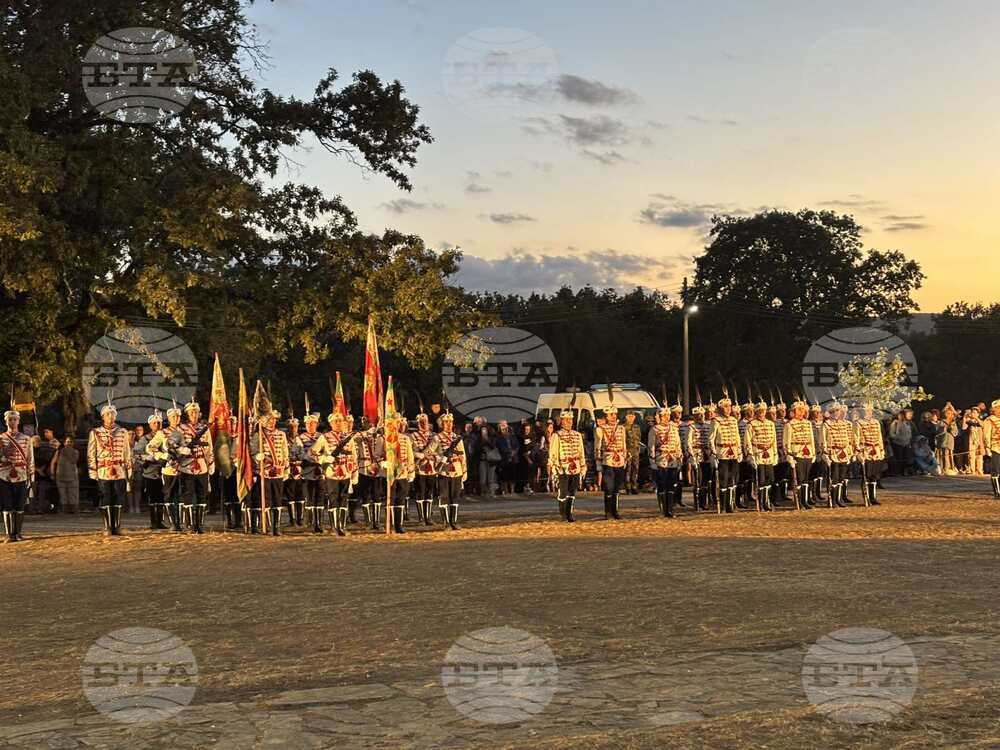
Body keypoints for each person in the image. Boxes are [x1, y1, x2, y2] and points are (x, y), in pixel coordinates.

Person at [87, 401, 131, 535]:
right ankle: (107, 527)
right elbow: (91, 453)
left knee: (118, 497)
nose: (110, 417)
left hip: (119, 469)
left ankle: (117, 526)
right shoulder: (95, 432)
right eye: (107, 415)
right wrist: (92, 471)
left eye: (112, 414)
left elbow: (126, 452)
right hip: (103, 470)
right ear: (103, 417)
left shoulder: (123, 432)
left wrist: (128, 472)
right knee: (105, 497)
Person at [173, 400, 214, 534]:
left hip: (201, 465)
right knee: (188, 495)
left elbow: (209, 448)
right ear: (187, 414)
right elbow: (170, 444)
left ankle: (200, 524)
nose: (194, 414)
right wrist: (180, 450)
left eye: (196, 412)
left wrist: (211, 462)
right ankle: (190, 524)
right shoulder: (180, 429)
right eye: (191, 412)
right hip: (187, 465)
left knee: (202, 495)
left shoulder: (204, 429)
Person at [313, 410, 357, 536]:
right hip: (331, 472)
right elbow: (312, 453)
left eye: (340, 421)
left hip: (346, 472)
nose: (338, 423)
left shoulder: (349, 437)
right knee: (333, 499)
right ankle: (334, 526)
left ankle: (342, 526)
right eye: (335, 421)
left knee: (344, 499)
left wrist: (354, 473)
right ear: (331, 423)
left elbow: (354, 455)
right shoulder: (324, 437)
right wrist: (324, 459)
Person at [144, 403, 184, 531]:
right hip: (169, 468)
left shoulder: (186, 430)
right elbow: (149, 447)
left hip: (184, 467)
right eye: (173, 417)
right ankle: (173, 523)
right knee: (170, 495)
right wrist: (163, 455)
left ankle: (181, 522)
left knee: (182, 495)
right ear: (169, 418)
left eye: (178, 416)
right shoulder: (163, 433)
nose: (176, 419)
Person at [1, 408, 34, 541]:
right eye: (10, 419)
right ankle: (9, 534)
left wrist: (31, 477)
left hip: (21, 475)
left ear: (19, 421)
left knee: (19, 505)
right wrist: (4, 458)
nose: (12, 422)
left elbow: (30, 458)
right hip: (4, 475)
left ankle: (18, 533)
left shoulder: (26, 439)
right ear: (6, 421)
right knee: (7, 505)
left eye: (15, 419)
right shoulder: (1, 438)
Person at [548, 409, 585, 522]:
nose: (569, 422)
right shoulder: (557, 435)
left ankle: (569, 513)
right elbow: (553, 452)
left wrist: (583, 465)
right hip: (563, 466)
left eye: (570, 419)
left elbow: (581, 451)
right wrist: (554, 466)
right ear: (562, 421)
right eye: (566, 420)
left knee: (572, 491)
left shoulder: (577, 435)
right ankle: (563, 513)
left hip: (575, 466)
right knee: (563, 491)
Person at [647, 406, 684, 518]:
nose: (666, 418)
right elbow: (651, 446)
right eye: (664, 416)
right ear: (659, 417)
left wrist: (679, 458)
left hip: (672, 460)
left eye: (668, 415)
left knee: (671, 485)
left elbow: (678, 445)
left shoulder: (673, 428)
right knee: (662, 485)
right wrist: (652, 462)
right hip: (660, 459)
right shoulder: (654, 430)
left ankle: (670, 510)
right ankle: (664, 510)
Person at [134, 413, 167, 529]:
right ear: (150, 425)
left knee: (162, 497)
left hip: (164, 470)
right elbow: (136, 453)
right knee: (153, 497)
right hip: (150, 472)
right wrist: (147, 459)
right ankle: (154, 522)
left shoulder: (166, 436)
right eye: (154, 423)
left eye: (159, 423)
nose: (157, 425)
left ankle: (161, 521)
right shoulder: (145, 439)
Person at [743, 400, 777, 511]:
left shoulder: (770, 424)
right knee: (760, 480)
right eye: (759, 411)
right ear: (756, 412)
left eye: (763, 411)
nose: (761, 413)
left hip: (769, 454)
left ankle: (767, 501)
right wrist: (750, 455)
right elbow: (747, 441)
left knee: (770, 479)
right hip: (758, 453)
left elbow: (774, 440)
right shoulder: (751, 424)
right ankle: (761, 502)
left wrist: (775, 454)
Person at [594, 405, 626, 520]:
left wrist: (624, 458)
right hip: (608, 459)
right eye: (611, 414)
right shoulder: (600, 429)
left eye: (615, 414)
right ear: (606, 416)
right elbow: (597, 447)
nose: (613, 416)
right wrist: (598, 463)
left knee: (617, 488)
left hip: (620, 459)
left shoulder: (621, 428)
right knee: (609, 487)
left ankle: (615, 511)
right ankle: (608, 512)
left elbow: (624, 444)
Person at [436, 411, 467, 530]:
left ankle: (454, 521)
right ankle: (446, 523)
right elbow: (429, 452)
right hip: (444, 470)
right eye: (446, 422)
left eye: (450, 422)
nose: (449, 424)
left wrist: (464, 471)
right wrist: (442, 458)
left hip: (457, 470)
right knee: (444, 497)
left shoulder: (457, 438)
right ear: (442, 424)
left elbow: (463, 455)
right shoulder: (437, 438)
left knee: (455, 496)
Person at [297, 412, 327, 534]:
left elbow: (327, 451)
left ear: (317, 424)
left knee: (320, 497)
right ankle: (310, 523)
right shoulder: (300, 438)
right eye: (309, 424)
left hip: (320, 470)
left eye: (313, 423)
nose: (311, 426)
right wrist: (307, 457)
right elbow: (296, 453)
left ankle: (319, 524)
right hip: (307, 470)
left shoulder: (322, 437)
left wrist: (320, 458)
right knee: (309, 497)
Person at [712, 396, 743, 514]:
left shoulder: (733, 420)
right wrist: (713, 454)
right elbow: (711, 439)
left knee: (732, 479)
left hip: (733, 453)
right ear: (720, 409)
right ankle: (724, 505)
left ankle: (730, 504)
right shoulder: (716, 421)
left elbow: (737, 437)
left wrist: (739, 451)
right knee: (723, 480)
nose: (728, 409)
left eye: (729, 406)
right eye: (725, 407)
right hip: (722, 453)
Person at [783, 399, 816, 510]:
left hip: (808, 452)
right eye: (799, 410)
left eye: (802, 409)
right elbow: (786, 441)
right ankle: (799, 500)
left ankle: (805, 500)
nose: (802, 412)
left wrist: (813, 452)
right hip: (797, 452)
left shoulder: (807, 423)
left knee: (806, 478)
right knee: (800, 479)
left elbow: (811, 438)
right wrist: (788, 455)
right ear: (794, 411)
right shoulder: (790, 424)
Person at [823, 402, 855, 508]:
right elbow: (822, 440)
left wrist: (850, 453)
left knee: (841, 477)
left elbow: (848, 439)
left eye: (837, 411)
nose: (836, 413)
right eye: (833, 412)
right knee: (834, 477)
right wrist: (825, 453)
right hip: (833, 453)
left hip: (844, 453)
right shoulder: (826, 424)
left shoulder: (844, 424)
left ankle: (839, 498)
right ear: (830, 413)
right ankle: (832, 498)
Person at [357, 417, 385, 530]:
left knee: (377, 495)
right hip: (363, 468)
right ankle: (368, 522)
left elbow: (384, 451)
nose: (366, 424)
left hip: (377, 468)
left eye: (368, 421)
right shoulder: (359, 436)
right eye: (364, 422)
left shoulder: (381, 437)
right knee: (365, 495)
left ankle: (376, 521)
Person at [854, 402, 886, 506]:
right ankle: (866, 497)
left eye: (869, 410)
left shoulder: (876, 422)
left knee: (874, 475)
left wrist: (881, 450)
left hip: (875, 451)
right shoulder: (858, 423)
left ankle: (873, 497)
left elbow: (879, 437)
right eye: (865, 411)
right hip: (866, 451)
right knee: (866, 475)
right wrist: (858, 452)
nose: (867, 412)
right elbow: (856, 438)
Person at [389, 413, 415, 533]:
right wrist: (383, 463)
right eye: (395, 422)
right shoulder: (385, 437)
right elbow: (378, 454)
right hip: (390, 474)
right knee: (391, 499)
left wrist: (411, 471)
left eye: (399, 422)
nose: (397, 424)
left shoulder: (405, 438)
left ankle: (399, 526)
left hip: (403, 473)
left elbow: (410, 456)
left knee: (401, 499)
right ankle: (391, 524)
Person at [410, 411, 438, 524]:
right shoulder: (413, 436)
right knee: (420, 492)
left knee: (430, 492)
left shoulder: (433, 436)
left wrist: (434, 457)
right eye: (421, 422)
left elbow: (439, 451)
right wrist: (419, 455)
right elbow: (410, 451)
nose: (424, 424)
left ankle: (428, 517)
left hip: (431, 466)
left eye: (425, 422)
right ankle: (421, 518)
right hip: (420, 466)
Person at [284, 416, 305, 527]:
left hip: (300, 469)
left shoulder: (300, 439)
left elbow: (303, 453)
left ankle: (300, 518)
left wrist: (299, 459)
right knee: (290, 494)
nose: (293, 429)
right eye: (291, 427)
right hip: (288, 470)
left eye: (295, 427)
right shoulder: (284, 439)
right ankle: (292, 519)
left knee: (300, 494)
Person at [52, 435, 80, 515]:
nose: (69, 443)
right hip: (60, 476)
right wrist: (52, 473)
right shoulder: (59, 451)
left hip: (72, 476)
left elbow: (73, 460)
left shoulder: (76, 452)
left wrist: (67, 451)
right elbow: (53, 462)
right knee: (62, 494)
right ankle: (64, 510)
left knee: (73, 494)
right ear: (64, 443)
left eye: (71, 442)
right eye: (67, 442)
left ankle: (73, 510)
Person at [982, 399, 1000, 498]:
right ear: (994, 409)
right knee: (995, 471)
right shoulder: (989, 420)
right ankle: (997, 493)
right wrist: (987, 448)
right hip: (995, 448)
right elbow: (986, 435)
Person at [495, 420, 518, 495]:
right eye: (502, 426)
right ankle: (506, 491)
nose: (504, 427)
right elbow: (499, 447)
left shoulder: (512, 435)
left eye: (505, 425)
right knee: (504, 476)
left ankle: (512, 491)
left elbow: (517, 445)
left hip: (513, 458)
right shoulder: (498, 437)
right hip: (504, 459)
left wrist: (514, 452)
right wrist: (508, 453)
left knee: (513, 475)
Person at [623, 411, 643, 495]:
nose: (631, 418)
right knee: (628, 469)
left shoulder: (637, 427)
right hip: (627, 450)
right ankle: (627, 486)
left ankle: (634, 485)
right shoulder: (623, 427)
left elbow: (639, 438)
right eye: (629, 416)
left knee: (635, 468)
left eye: (632, 416)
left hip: (636, 450)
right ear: (626, 417)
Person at [516, 421, 537, 494]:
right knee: (523, 473)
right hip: (523, 459)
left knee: (531, 473)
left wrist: (530, 453)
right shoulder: (520, 437)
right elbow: (521, 448)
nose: (527, 431)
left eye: (528, 429)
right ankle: (523, 488)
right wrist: (527, 456)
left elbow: (534, 446)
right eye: (525, 429)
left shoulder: (532, 437)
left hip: (531, 457)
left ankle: (529, 487)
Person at [129, 424, 145, 514]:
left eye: (132, 434)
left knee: (138, 488)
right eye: (129, 434)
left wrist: (139, 464)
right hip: (128, 469)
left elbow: (142, 456)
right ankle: (131, 507)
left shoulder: (138, 444)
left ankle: (137, 506)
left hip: (138, 468)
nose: (131, 436)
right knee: (129, 488)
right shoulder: (125, 446)